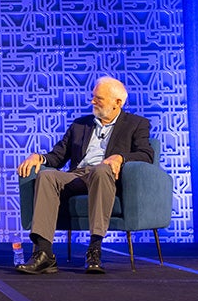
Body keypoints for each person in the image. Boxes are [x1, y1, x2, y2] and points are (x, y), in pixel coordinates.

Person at [16, 75, 154, 275]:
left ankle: (94, 250)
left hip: (107, 176)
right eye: (93, 97)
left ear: (118, 102)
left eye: (99, 98)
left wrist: (120, 158)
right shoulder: (81, 125)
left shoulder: (136, 123)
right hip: (78, 175)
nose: (92, 101)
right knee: (47, 177)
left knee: (101, 170)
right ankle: (44, 254)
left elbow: (146, 154)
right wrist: (39, 158)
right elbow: (58, 156)